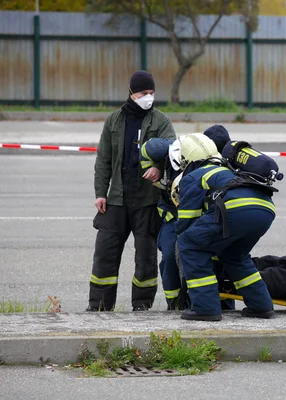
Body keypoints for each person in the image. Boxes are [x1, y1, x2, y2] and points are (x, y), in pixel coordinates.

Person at [88, 70, 177, 312]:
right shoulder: (114, 120)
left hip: (146, 200)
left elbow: (174, 153)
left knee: (146, 258)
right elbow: (103, 159)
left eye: (151, 93)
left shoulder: (161, 121)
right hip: (116, 199)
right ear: (131, 92)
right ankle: (99, 306)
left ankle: (141, 305)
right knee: (105, 254)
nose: (148, 97)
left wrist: (159, 168)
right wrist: (100, 193)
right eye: (143, 93)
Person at [174, 134, 277, 321]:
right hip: (266, 209)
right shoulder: (227, 170)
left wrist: (185, 239)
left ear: (186, 160)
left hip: (237, 209)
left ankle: (206, 308)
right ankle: (261, 306)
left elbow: (187, 220)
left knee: (190, 244)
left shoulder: (192, 177)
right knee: (234, 255)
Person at [139, 125, 234, 311]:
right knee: (169, 258)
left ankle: (224, 305)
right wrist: (156, 167)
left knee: (218, 261)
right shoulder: (176, 150)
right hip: (173, 217)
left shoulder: (225, 162)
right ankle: (176, 305)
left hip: (208, 218)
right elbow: (146, 149)